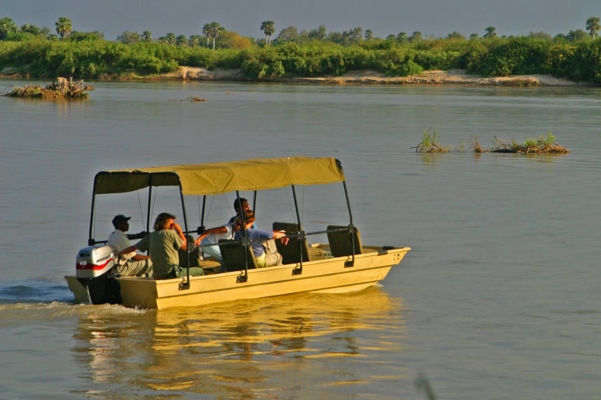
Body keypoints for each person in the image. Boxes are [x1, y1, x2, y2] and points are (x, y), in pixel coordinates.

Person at [119, 212, 205, 280]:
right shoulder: (171, 233)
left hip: (157, 274)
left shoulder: (151, 235)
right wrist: (179, 231)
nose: (173, 226)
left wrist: (118, 253)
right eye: (172, 224)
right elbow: (187, 249)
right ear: (164, 223)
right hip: (172, 272)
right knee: (200, 270)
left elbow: (132, 248)